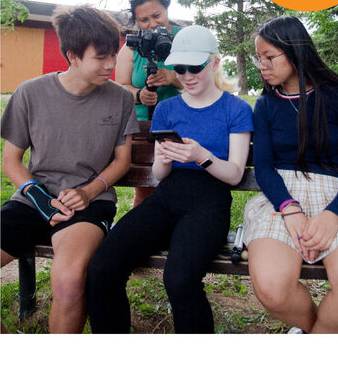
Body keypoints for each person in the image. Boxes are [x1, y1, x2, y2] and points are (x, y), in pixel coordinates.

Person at [87, 25, 253, 333]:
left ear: (214, 63)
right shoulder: (167, 108)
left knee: (179, 279)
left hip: (210, 201)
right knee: (102, 267)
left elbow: (234, 174)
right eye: (179, 68)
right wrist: (162, 159)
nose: (187, 76)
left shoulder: (236, 108)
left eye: (195, 67)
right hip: (168, 197)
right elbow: (160, 176)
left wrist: (201, 155)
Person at [0, 6, 139, 334]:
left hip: (90, 203)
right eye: (101, 57)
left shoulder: (120, 99)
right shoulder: (30, 93)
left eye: (113, 55)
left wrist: (87, 192)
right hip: (34, 199)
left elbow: (122, 161)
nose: (111, 65)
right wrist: (40, 200)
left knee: (68, 281)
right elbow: (12, 161)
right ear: (73, 55)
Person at [242, 15, 338, 334]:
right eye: (258, 58)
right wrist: (289, 209)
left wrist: (334, 215)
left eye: (269, 57)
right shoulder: (264, 105)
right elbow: (263, 167)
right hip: (282, 198)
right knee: (273, 290)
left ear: (295, 52)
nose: (262, 65)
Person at [115, 0, 183, 206]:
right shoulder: (131, 47)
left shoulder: (185, 38)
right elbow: (120, 86)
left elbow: (208, 75)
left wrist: (173, 77)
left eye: (157, 16)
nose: (152, 24)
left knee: (181, 186)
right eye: (144, 20)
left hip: (182, 123)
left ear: (167, 9)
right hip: (143, 127)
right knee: (145, 191)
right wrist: (139, 95)